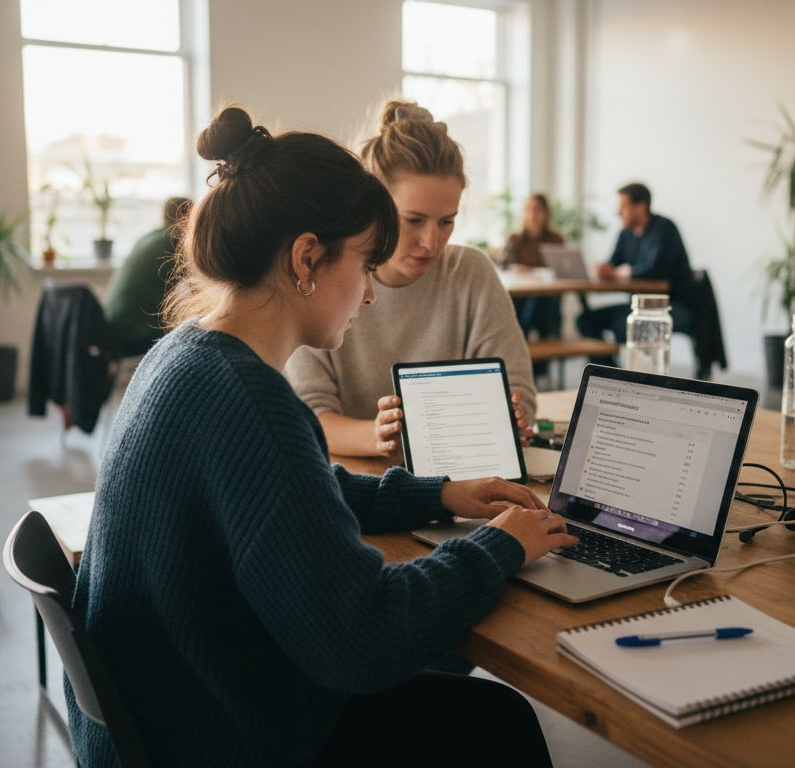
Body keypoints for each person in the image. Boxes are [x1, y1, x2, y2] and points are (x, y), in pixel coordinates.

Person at [66, 105, 575, 767]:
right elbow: (365, 639)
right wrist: (498, 547)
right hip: (220, 737)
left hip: (167, 714)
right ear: (307, 257)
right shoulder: (249, 398)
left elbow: (295, 488)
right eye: (366, 265)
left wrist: (441, 494)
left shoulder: (185, 355)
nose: (369, 295)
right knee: (498, 723)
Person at [286, 101, 536, 458]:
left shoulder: (471, 272)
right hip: (358, 480)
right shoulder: (325, 278)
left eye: (447, 221)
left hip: (462, 477)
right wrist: (380, 435)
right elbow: (310, 417)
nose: (431, 242)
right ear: (375, 207)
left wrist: (511, 418)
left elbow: (517, 394)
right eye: (414, 220)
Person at [576, 182, 694, 362]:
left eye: (623, 207)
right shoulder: (626, 234)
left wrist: (617, 273)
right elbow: (613, 264)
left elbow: (653, 270)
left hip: (670, 306)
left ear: (641, 207)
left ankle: (624, 380)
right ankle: (609, 377)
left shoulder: (664, 229)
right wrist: (603, 269)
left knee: (621, 326)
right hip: (638, 305)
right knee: (585, 319)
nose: (618, 213)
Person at [104, 196, 192, 357]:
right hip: (135, 333)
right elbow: (200, 288)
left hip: (113, 328)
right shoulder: (171, 243)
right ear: (183, 218)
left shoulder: (149, 238)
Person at [502, 193, 566, 344]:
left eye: (537, 209)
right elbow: (504, 266)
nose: (532, 214)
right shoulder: (515, 239)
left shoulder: (556, 239)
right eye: (528, 209)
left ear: (546, 213)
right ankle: (520, 343)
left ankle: (533, 356)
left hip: (546, 298)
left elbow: (560, 270)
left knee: (538, 300)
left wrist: (531, 271)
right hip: (519, 296)